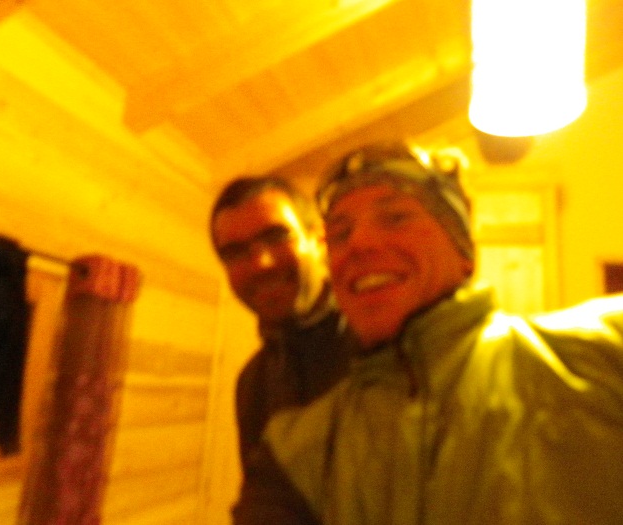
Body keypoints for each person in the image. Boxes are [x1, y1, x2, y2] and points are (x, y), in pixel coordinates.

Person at [260, 143, 623, 524]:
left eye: (396, 217)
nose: (359, 243)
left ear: (464, 250)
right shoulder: (295, 451)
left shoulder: (602, 350)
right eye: (340, 234)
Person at [210, 176, 350, 524]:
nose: (261, 263)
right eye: (235, 253)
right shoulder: (251, 383)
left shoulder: (384, 346)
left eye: (276, 237)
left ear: (319, 240)